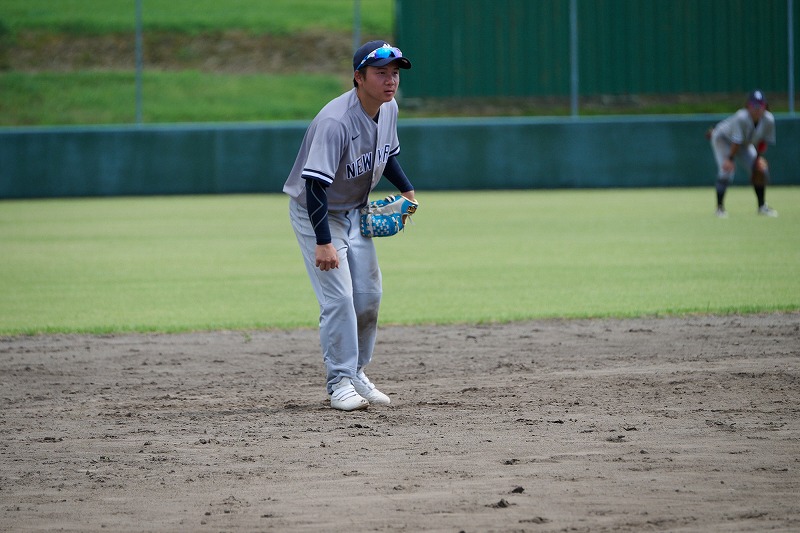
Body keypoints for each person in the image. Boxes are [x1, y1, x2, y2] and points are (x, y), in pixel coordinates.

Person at [283, 40, 416, 411]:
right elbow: (314, 186)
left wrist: (407, 190)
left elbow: (385, 155)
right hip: (317, 214)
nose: (390, 81)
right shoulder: (335, 122)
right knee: (339, 298)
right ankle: (339, 381)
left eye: (395, 73)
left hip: (355, 211)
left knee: (369, 295)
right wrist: (323, 242)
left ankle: (356, 372)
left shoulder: (389, 108)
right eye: (380, 73)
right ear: (359, 77)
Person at [709, 90, 778, 218]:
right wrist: (730, 159)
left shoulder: (769, 119)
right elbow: (736, 142)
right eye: (754, 105)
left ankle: (762, 206)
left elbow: (763, 142)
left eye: (760, 105)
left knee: (760, 170)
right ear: (748, 105)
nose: (757, 108)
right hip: (723, 139)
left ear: (765, 106)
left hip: (744, 143)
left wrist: (758, 159)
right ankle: (719, 208)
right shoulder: (741, 117)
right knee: (726, 171)